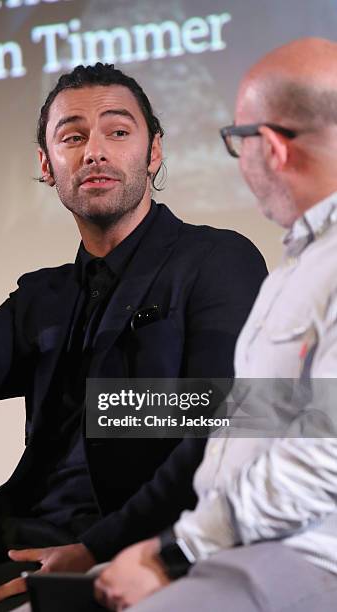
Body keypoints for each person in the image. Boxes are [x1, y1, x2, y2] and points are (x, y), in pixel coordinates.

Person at [0, 63, 266, 611]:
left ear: (154, 152)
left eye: (118, 132)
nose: (95, 151)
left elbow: (227, 421)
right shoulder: (45, 294)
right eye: (72, 137)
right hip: (5, 548)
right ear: (46, 164)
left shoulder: (216, 260)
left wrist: (95, 548)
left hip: (119, 555)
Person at [95, 38, 337, 612]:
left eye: (237, 140)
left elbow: (323, 453)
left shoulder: (224, 260)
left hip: (302, 556)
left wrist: (169, 553)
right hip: (225, 546)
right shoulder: (294, 270)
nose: (95, 155)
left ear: (272, 146)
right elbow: (248, 425)